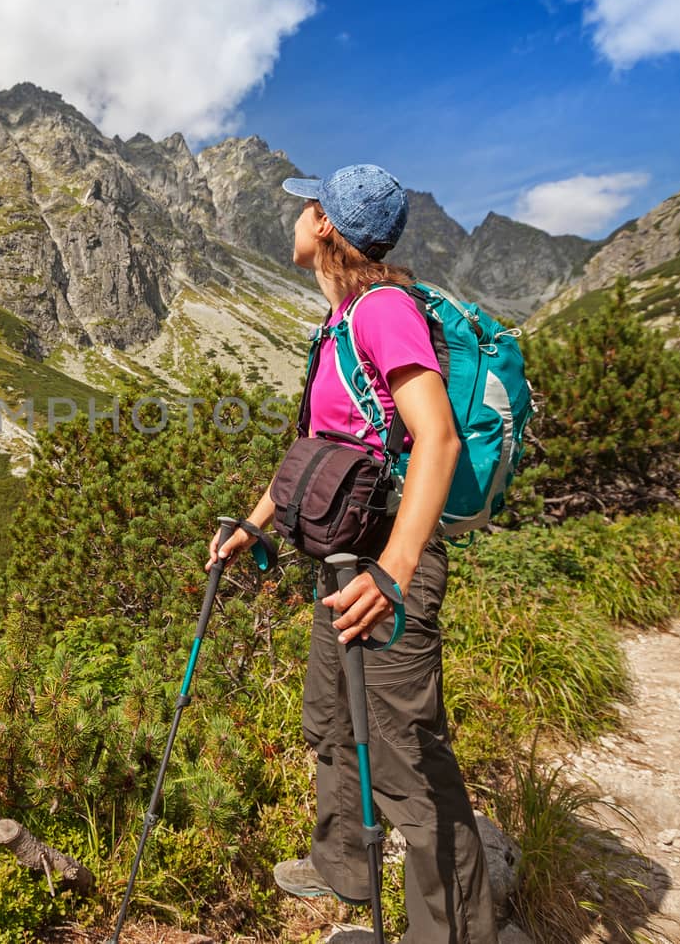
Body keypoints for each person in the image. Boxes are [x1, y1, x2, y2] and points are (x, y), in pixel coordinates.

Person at [207, 164, 498, 944]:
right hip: (344, 559)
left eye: (309, 205)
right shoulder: (338, 323)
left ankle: (456, 933)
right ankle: (343, 867)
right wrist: (257, 522)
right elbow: (317, 446)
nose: (298, 215)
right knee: (331, 720)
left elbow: (434, 437)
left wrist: (394, 574)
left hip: (386, 563)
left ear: (328, 226)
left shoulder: (383, 311)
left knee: (406, 755)